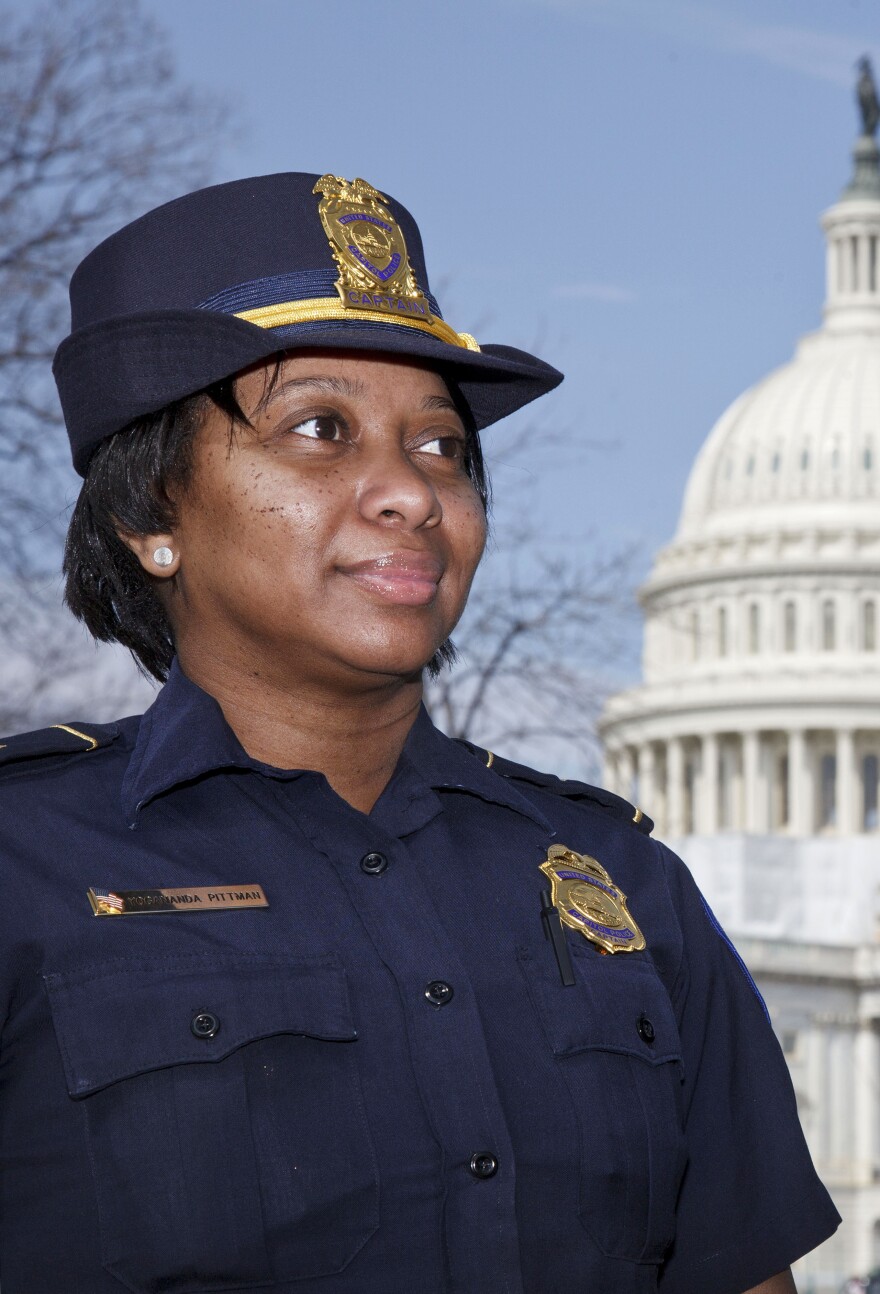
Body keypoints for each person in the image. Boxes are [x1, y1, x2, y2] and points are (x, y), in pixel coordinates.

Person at [0, 171, 839, 1293]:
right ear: (149, 516)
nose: (406, 489)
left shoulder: (629, 889)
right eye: (319, 428)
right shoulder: (24, 869)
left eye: (441, 446)